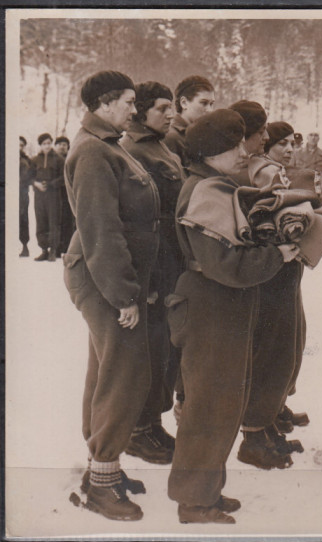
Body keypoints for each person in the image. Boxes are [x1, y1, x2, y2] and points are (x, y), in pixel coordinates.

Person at [168, 109, 298, 524]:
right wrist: (275, 254)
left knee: (222, 405)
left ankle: (207, 493)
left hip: (221, 308)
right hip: (211, 307)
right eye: (235, 145)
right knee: (209, 408)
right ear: (212, 153)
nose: (245, 152)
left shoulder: (216, 185)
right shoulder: (206, 191)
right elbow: (224, 265)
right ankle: (194, 502)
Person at [63, 70, 159, 521]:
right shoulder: (93, 153)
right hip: (105, 278)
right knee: (124, 376)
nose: (133, 109)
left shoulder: (107, 146)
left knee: (106, 371)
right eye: (127, 101)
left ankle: (103, 470)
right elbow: (101, 230)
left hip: (113, 276)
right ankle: (102, 487)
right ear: (103, 103)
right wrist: (123, 296)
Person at [237, 121, 309, 470]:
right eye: (277, 142)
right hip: (271, 272)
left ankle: (266, 428)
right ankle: (254, 435)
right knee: (270, 352)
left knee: (285, 349)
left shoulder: (271, 170)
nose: (286, 148)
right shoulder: (259, 171)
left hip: (283, 270)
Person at [121, 81, 186, 465]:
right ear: (142, 111)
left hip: (172, 259)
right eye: (162, 108)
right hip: (154, 265)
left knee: (165, 348)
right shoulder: (133, 152)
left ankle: (153, 424)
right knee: (149, 348)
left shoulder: (160, 146)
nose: (170, 114)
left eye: (171, 107)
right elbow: (131, 221)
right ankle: (138, 431)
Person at [164, 75, 215, 168]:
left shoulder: (202, 135)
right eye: (204, 103)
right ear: (184, 103)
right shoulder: (171, 137)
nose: (210, 110)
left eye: (211, 104)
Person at [31, 133, 64, 262]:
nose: (47, 146)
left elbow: (63, 177)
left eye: (49, 143)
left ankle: (53, 250)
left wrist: (51, 184)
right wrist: (36, 184)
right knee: (41, 220)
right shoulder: (35, 160)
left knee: (53, 220)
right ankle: (44, 250)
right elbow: (30, 176)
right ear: (40, 145)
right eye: (44, 144)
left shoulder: (59, 159)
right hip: (39, 195)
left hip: (53, 194)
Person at [54, 136, 75, 256]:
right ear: (55, 146)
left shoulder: (70, 158)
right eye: (60, 144)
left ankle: (66, 246)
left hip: (67, 193)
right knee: (56, 220)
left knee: (67, 219)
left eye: (65, 144)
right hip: (55, 194)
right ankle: (56, 247)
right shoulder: (53, 159)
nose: (62, 147)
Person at [19, 136, 33, 257]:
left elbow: (28, 178)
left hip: (21, 193)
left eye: (21, 145)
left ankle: (24, 245)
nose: (19, 147)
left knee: (23, 218)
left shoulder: (25, 160)